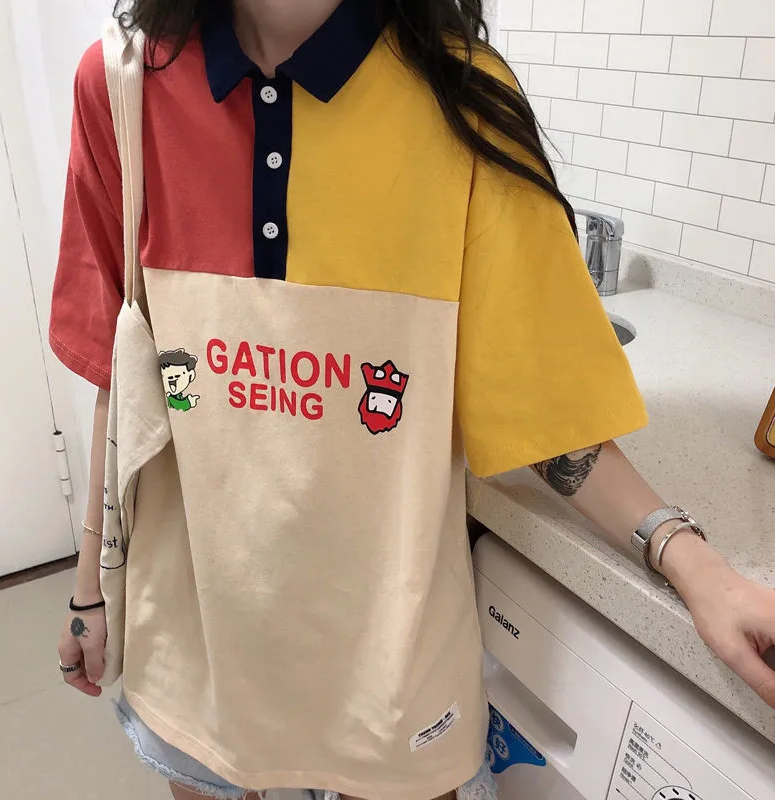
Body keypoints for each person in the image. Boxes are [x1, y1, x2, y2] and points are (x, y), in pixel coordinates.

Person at [50, 1, 775, 799]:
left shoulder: (462, 99)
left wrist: (692, 562)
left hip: (389, 662)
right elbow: (122, 377)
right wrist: (91, 586)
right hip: (197, 643)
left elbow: (543, 408)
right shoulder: (122, 86)